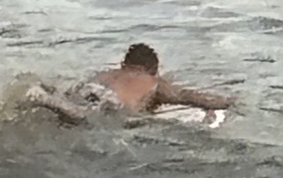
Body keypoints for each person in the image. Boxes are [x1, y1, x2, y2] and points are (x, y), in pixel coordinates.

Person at [27, 43, 232, 125]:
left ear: (124, 64)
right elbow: (190, 97)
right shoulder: (154, 82)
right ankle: (50, 100)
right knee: (88, 117)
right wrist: (230, 103)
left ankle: (47, 97)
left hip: (92, 90)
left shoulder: (106, 73)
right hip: (112, 104)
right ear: (154, 69)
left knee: (74, 106)